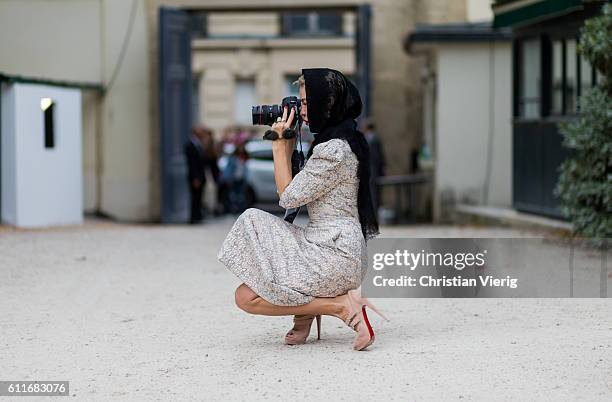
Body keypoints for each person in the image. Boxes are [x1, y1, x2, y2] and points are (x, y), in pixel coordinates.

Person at [217, 68, 388, 351]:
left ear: (328, 104)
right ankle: (305, 310)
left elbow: (288, 197)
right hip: (324, 244)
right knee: (245, 295)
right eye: (301, 102)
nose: (302, 110)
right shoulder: (337, 140)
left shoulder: (334, 149)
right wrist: (285, 142)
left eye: (307, 103)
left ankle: (341, 307)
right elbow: (293, 192)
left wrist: (277, 144)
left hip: (335, 254)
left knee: (252, 224)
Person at [361, 119, 386, 213]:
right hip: (372, 169)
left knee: (374, 193)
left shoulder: (372, 139)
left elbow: (377, 157)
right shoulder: (371, 138)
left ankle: (374, 213)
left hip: (373, 170)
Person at [185, 127, 207, 224]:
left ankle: (198, 216)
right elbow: (193, 164)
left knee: (199, 197)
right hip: (195, 177)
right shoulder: (190, 145)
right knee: (195, 198)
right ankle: (193, 217)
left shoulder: (200, 144)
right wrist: (195, 178)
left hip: (201, 176)